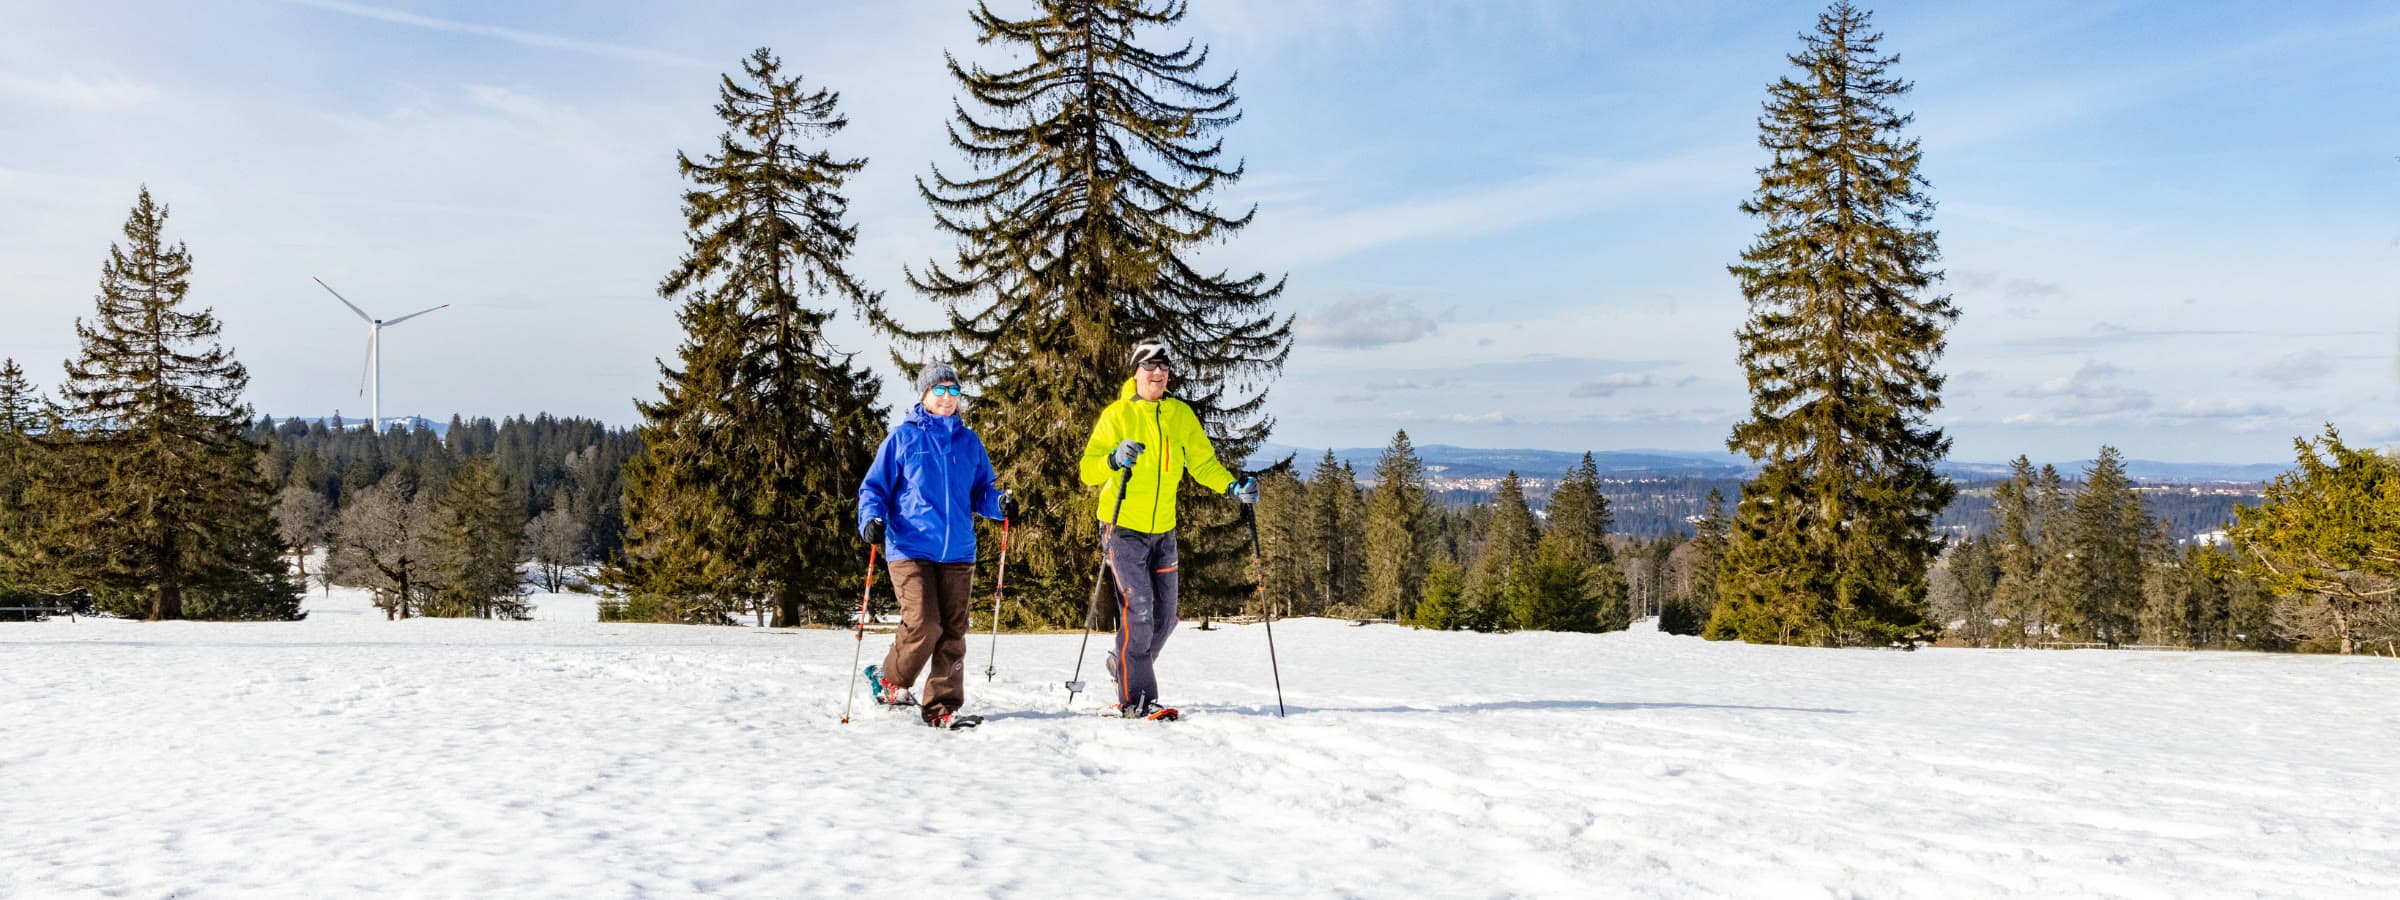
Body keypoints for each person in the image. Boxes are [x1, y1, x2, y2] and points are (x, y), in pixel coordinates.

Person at [1077, 339, 1259, 719]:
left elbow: (1203, 463)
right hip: (1121, 524)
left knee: (1167, 617)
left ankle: (1122, 662)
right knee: (1139, 610)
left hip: (1164, 529)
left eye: (1162, 366)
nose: (1156, 372)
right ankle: (1137, 699)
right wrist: (1113, 458)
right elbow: (1087, 470)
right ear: (1135, 371)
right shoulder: (1117, 415)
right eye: (1148, 365)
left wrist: (1233, 486)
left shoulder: (1179, 415)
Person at [857, 363, 1011, 728]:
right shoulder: (903, 438)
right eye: (938, 390)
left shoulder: (969, 442)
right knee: (925, 624)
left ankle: (942, 708)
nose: (947, 398)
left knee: (953, 631)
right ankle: (892, 680)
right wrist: (870, 520)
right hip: (910, 547)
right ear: (923, 395)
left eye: (954, 391)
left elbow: (981, 492)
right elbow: (874, 488)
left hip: (958, 551)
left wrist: (999, 502)